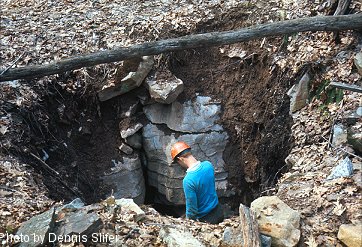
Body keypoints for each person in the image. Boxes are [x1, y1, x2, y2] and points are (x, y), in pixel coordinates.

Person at [171, 141, 224, 224]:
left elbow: (192, 209)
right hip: (218, 211)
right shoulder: (208, 165)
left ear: (180, 159)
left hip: (206, 219)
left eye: (177, 163)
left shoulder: (188, 180)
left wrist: (189, 222)